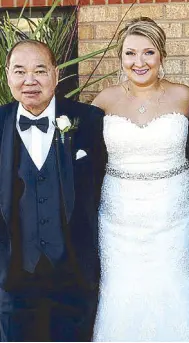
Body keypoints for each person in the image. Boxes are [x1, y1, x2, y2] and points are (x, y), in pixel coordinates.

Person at [92, 17, 189, 341]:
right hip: (119, 216)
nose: (139, 62)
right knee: (120, 288)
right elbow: (87, 158)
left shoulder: (184, 96)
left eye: (148, 53)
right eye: (130, 54)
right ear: (121, 57)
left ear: (162, 56)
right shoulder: (104, 100)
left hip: (173, 213)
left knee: (175, 286)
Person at [0, 40, 107, 341]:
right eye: (20, 71)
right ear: (7, 75)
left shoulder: (89, 122)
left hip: (74, 278)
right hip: (13, 280)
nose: (29, 80)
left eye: (40, 70)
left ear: (56, 75)